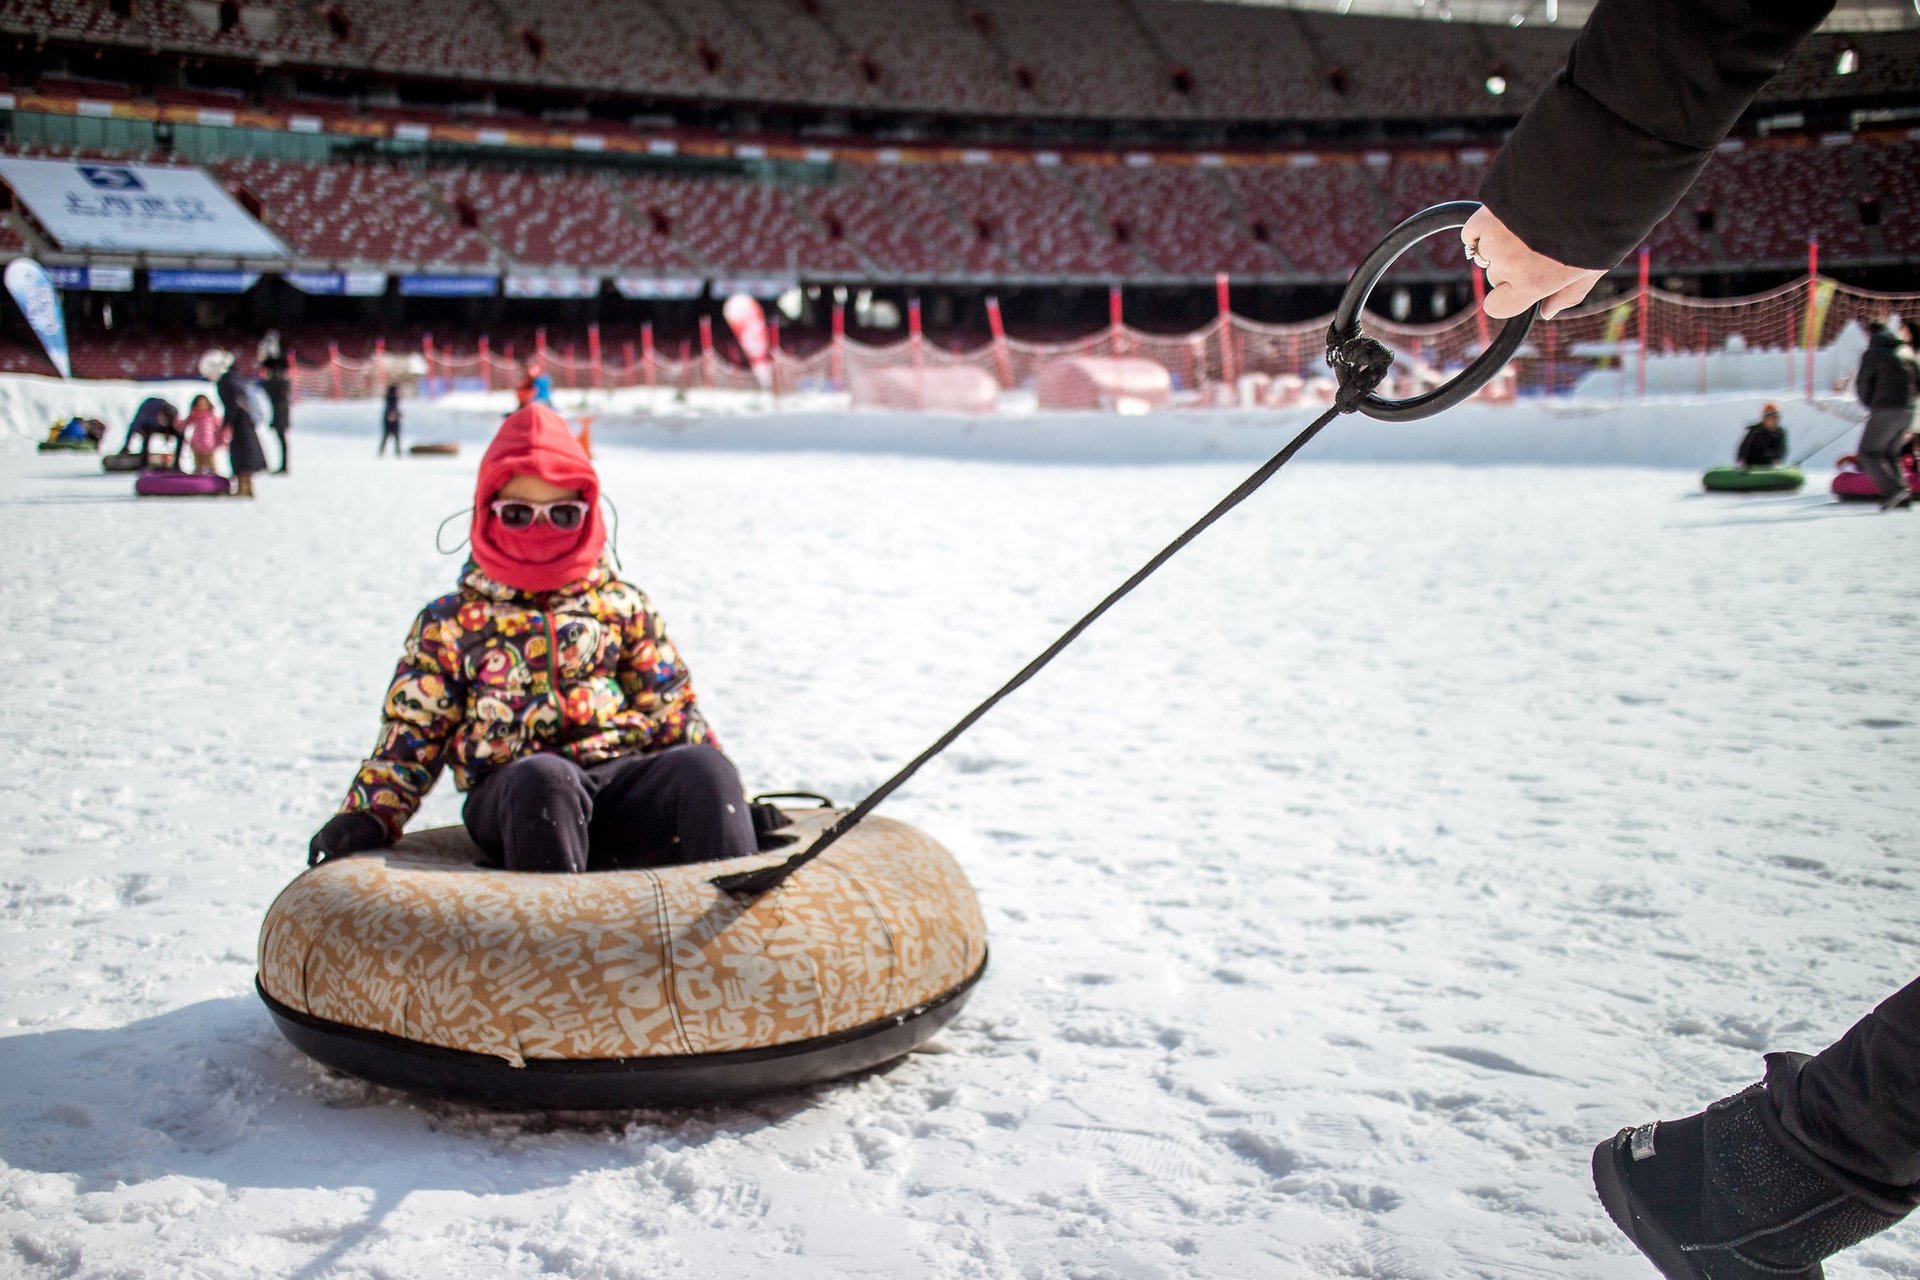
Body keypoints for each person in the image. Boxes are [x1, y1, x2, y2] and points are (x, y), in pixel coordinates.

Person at [1460, 0, 1920, 1272]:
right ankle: (1772, 1174)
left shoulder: (1886, 362)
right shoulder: (1877, 363)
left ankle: (1769, 1175)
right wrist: (1571, 193)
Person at [307, 404, 756, 875]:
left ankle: (731, 931)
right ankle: (559, 939)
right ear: (486, 514)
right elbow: (414, 728)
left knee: (703, 768)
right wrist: (370, 811)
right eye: (519, 513)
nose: (540, 529)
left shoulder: (621, 605)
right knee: (544, 779)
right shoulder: (454, 620)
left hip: (619, 777)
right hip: (515, 794)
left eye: (562, 514)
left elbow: (670, 708)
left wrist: (730, 797)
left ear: (588, 516)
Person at [1854, 316, 1917, 512]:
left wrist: (1872, 405)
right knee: (1890, 453)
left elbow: (1863, 384)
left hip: (1885, 410)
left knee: (1868, 452)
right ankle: (1903, 493)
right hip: (1908, 410)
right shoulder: (1906, 352)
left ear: (1871, 334)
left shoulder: (1873, 354)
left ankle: (1893, 491)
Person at [207, 350, 267, 499]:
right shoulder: (236, 377)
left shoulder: (226, 380)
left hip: (240, 424)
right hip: (245, 422)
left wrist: (227, 422)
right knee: (245, 453)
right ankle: (245, 487)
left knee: (241, 455)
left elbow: (232, 403)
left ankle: (244, 487)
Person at [258, 331, 292, 475]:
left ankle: (284, 465)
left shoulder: (279, 381)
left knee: (281, 436)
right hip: (276, 408)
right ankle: (282, 464)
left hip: (279, 409)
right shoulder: (276, 378)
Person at [118, 397, 181, 467]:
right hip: (148, 426)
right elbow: (134, 426)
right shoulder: (147, 412)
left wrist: (168, 433)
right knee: (146, 433)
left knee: (180, 435)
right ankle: (144, 462)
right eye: (163, 420)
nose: (164, 422)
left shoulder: (173, 413)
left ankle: (177, 464)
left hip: (165, 423)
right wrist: (127, 445)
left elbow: (179, 427)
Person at [181, 394, 226, 475]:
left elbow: (220, 428)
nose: (202, 406)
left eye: (204, 404)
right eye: (199, 404)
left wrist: (221, 440)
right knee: (198, 467)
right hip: (197, 446)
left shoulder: (211, 417)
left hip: (209, 446)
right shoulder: (194, 416)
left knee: (212, 466)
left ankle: (214, 483)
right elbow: (183, 425)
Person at [1735, 403, 1788, 470]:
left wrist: (1777, 460)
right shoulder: (1755, 431)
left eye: (1776, 417)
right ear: (1765, 419)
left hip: (1769, 466)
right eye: (1772, 417)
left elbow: (1781, 451)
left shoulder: (1780, 433)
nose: (1775, 420)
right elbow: (1743, 449)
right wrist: (1741, 461)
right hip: (1752, 466)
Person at [379, 384, 403, 457]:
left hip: (390, 418)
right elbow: (391, 407)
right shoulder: (392, 398)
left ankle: (383, 451)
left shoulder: (391, 398)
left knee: (389, 436)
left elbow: (394, 408)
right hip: (391, 419)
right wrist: (392, 415)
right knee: (393, 435)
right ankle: (397, 452)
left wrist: (398, 413)